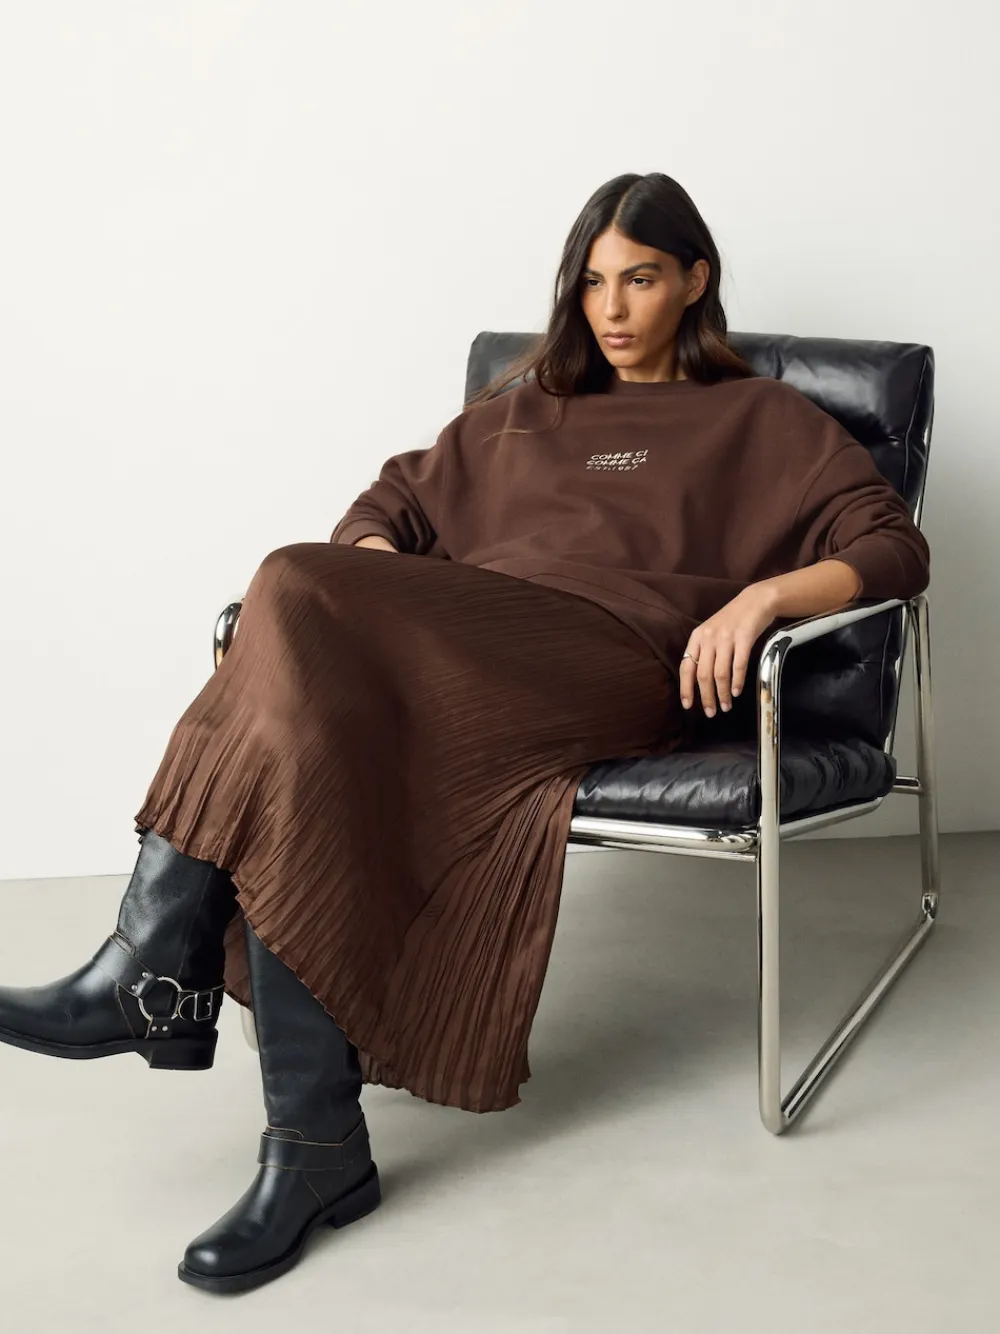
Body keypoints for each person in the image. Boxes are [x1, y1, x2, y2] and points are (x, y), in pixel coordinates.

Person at [0, 171, 930, 1294]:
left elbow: (891, 545)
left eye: (640, 279)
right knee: (308, 723)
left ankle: (151, 968)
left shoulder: (763, 419)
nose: (612, 308)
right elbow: (382, 513)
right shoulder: (522, 411)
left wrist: (761, 599)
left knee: (290, 583)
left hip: (614, 662)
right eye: (592, 283)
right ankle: (312, 1147)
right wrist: (375, 606)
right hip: (470, 657)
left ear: (694, 280)